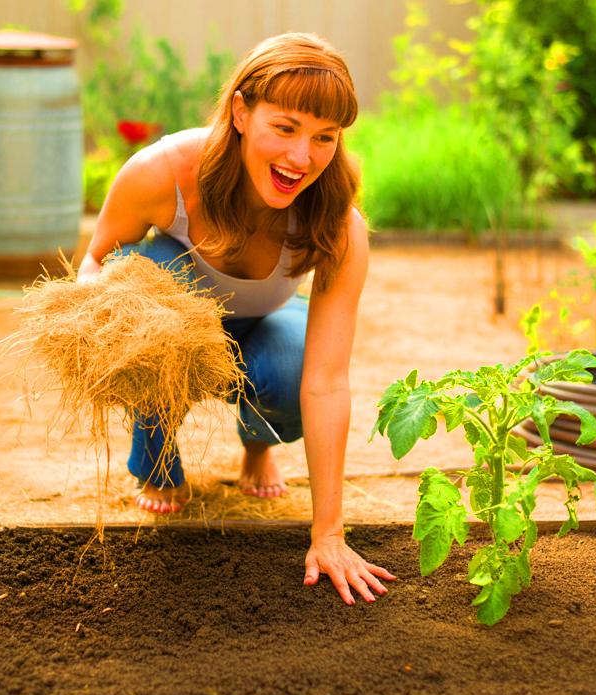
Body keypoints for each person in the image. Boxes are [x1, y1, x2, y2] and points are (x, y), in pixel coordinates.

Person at [77, 32, 394, 605]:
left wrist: (329, 533)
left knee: (293, 369)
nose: (303, 158)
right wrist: (104, 331)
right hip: (171, 320)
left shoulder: (339, 223)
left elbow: (327, 381)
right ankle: (157, 457)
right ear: (242, 111)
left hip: (260, 323)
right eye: (287, 127)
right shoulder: (164, 171)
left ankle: (257, 446)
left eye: (325, 137)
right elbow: (97, 261)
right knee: (143, 287)